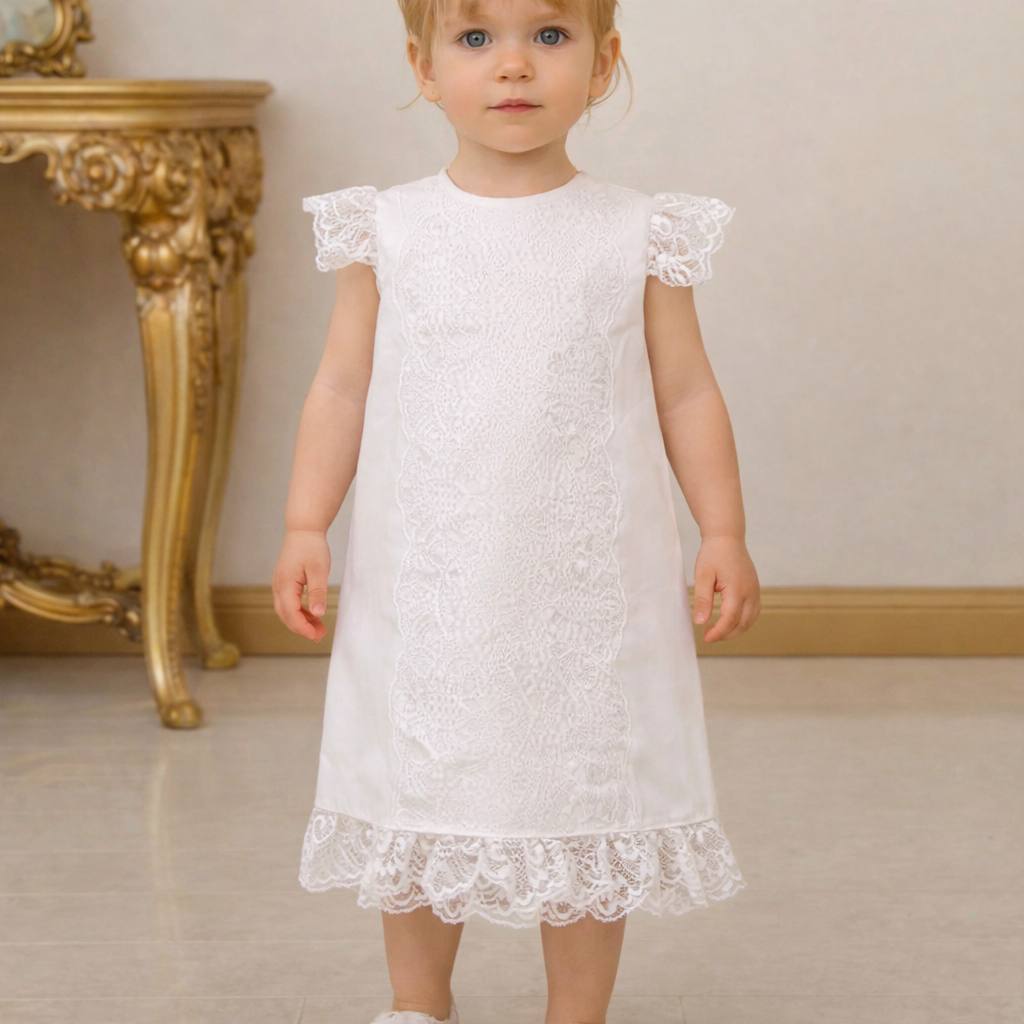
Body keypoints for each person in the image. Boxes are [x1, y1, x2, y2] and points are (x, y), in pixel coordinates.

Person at [273, 1, 761, 1021]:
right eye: (474, 38)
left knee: (583, 796)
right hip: (433, 586)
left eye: (548, 36)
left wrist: (721, 529)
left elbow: (685, 391)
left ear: (602, 60)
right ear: (422, 63)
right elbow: (342, 387)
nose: (512, 67)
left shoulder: (635, 230)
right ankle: (418, 1003)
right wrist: (305, 523)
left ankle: (573, 1012)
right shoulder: (389, 227)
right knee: (419, 787)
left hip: (581, 590)